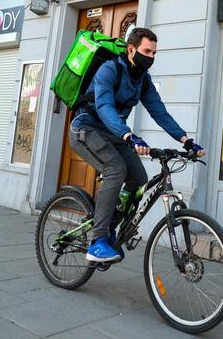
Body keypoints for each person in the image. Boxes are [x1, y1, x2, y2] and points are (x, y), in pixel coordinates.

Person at [69, 27, 205, 262]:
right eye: (147, 51)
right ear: (131, 49)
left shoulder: (142, 80)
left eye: (154, 53)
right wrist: (129, 135)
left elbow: (159, 112)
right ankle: (98, 241)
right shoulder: (109, 70)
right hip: (86, 129)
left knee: (138, 179)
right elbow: (104, 107)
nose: (151, 57)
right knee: (116, 170)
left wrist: (186, 140)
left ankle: (110, 225)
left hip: (114, 133)